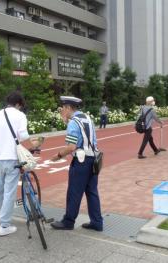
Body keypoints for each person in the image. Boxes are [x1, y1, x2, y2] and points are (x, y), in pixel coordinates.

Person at [50, 96, 103, 232]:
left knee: (74, 192)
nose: (61, 111)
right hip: (93, 160)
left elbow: (71, 147)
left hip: (81, 162)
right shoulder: (86, 118)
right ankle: (97, 222)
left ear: (68, 107)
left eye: (62, 108)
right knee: (92, 192)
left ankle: (68, 221)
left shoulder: (73, 122)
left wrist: (58, 156)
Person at [0, 92, 39, 237]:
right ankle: (4, 225)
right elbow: (23, 135)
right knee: (9, 191)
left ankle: (2, 217)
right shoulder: (19, 115)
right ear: (19, 104)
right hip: (11, 158)